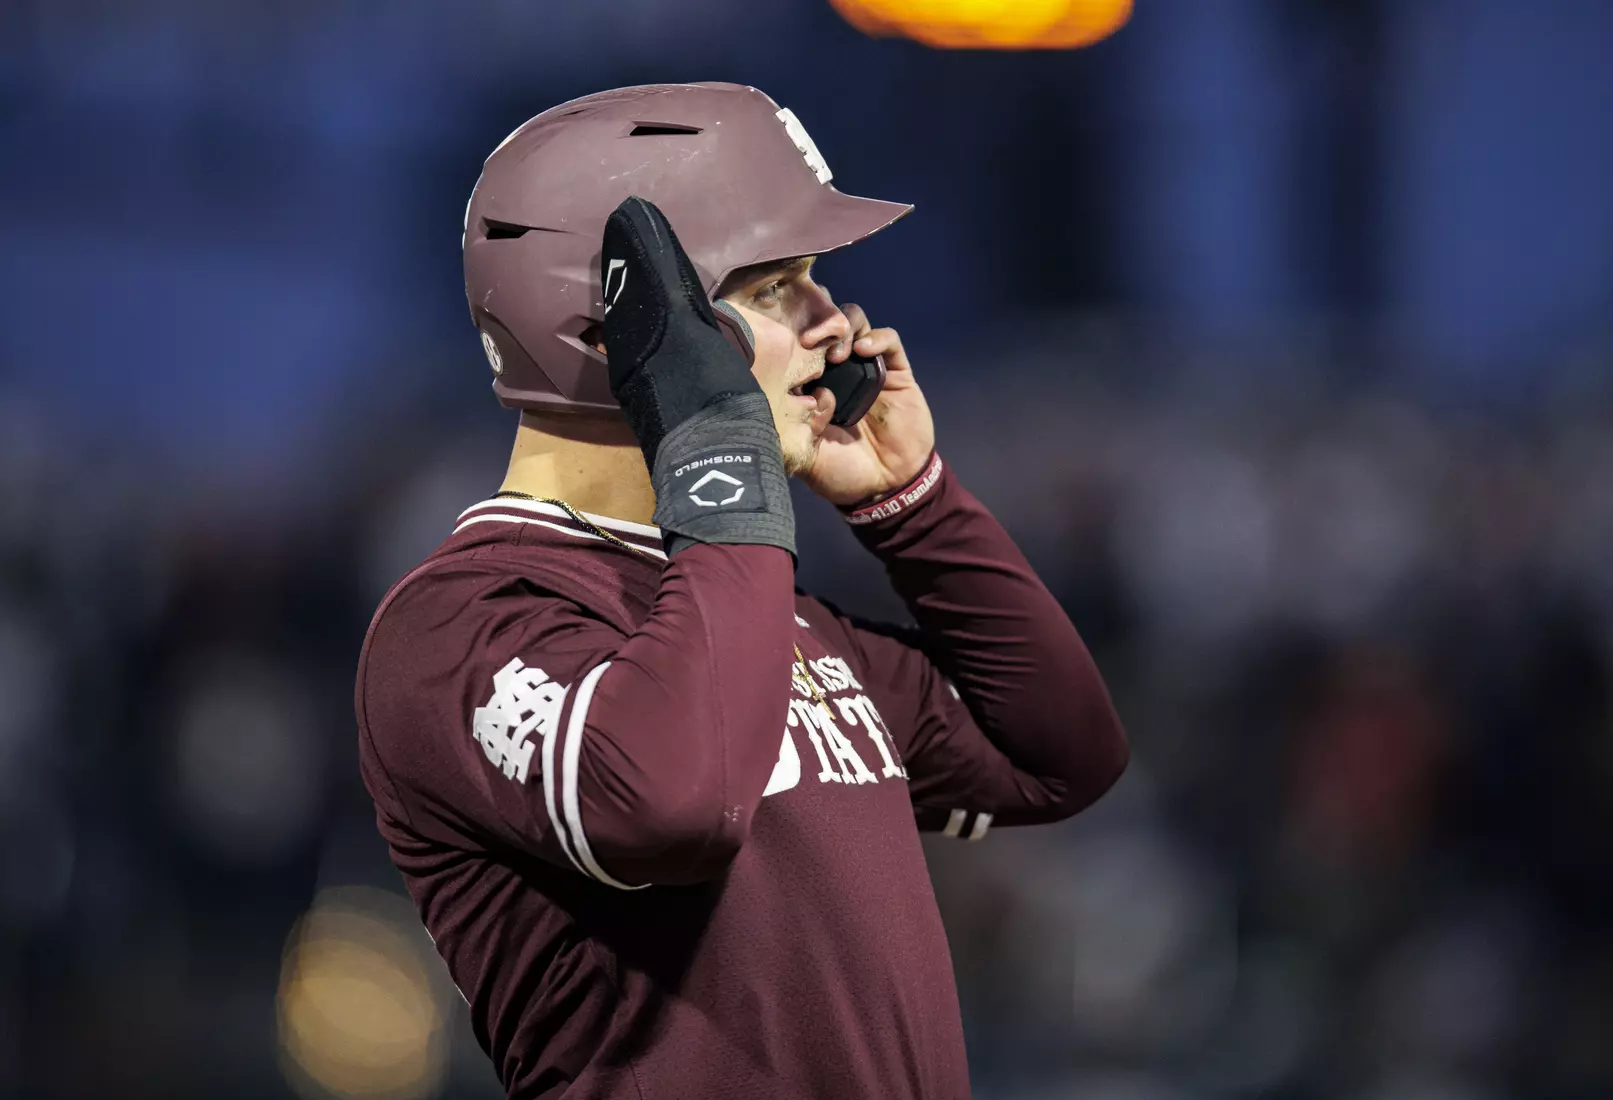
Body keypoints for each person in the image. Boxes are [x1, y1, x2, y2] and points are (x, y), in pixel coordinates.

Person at [355, 82, 1128, 1099]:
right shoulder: (459, 625)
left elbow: (1061, 756)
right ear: (608, 335)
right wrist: (720, 453)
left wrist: (916, 506)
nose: (834, 322)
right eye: (774, 289)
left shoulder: (766, 605)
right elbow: (674, 803)